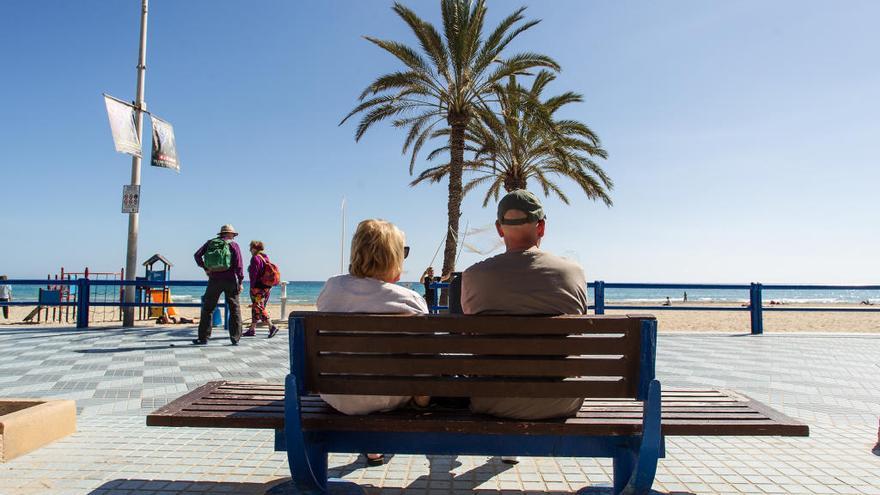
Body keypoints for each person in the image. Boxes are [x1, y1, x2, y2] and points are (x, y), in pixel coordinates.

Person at [461, 189, 589, 421]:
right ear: (541, 227)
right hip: (561, 399)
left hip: (491, 399)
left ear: (500, 229)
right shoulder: (573, 273)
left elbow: (469, 332)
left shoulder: (473, 275)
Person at [316, 218, 429, 466]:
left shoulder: (332, 288)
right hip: (388, 396)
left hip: (337, 396)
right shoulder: (409, 300)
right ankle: (376, 441)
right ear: (394, 257)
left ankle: (372, 445)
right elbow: (427, 357)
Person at [192, 224, 244, 345]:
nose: (234, 237)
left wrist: (206, 268)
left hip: (214, 279)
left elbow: (197, 255)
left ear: (221, 234)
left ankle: (203, 337)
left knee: (208, 308)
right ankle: (235, 338)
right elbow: (239, 265)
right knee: (234, 308)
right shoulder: (234, 245)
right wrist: (240, 281)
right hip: (230, 280)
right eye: (233, 234)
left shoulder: (210, 243)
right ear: (230, 234)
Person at [245, 240, 279, 339]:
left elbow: (253, 275)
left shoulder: (255, 258)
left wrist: (252, 288)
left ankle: (271, 326)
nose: (250, 250)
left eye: (250, 248)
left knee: (258, 307)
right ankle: (252, 329)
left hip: (258, 288)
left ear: (254, 248)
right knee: (257, 307)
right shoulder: (265, 257)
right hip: (266, 288)